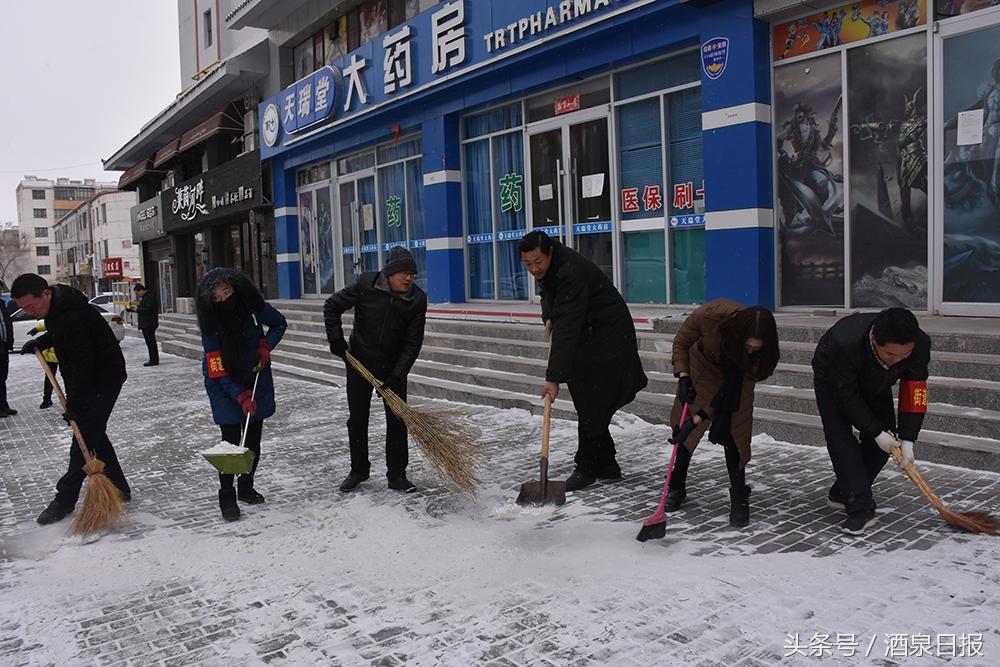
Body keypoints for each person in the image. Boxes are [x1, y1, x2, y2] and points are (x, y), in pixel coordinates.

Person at [518, 230, 648, 492]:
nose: (534, 269)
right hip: (589, 336)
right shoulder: (552, 268)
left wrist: (553, 378)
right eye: (528, 264)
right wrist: (548, 317)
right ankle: (607, 465)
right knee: (591, 402)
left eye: (538, 262)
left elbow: (567, 327)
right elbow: (548, 295)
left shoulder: (571, 272)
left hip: (609, 338)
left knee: (592, 401)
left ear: (550, 252)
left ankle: (586, 467)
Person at [11, 274, 130, 524]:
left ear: (46, 293)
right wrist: (41, 341)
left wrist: (75, 405)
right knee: (94, 432)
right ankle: (119, 486)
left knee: (83, 436)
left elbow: (82, 363)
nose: (30, 312)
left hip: (103, 378)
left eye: (32, 306)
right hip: (90, 377)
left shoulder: (70, 314)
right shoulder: (58, 308)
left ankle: (64, 500)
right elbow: (62, 336)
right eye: (24, 309)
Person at [812, 307, 930, 536]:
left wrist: (908, 438)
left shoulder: (920, 345)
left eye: (904, 355)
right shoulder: (844, 342)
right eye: (891, 355)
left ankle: (843, 491)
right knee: (840, 438)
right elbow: (846, 397)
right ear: (875, 340)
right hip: (833, 379)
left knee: (886, 442)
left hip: (877, 380)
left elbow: (916, 390)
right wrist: (875, 431)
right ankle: (859, 507)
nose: (898, 360)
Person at [666, 300, 780, 527]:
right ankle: (676, 485)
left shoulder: (759, 358)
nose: (750, 350)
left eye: (755, 349)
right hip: (703, 370)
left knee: (734, 436)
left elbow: (727, 396)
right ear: (738, 333)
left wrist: (700, 416)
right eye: (747, 345)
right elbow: (681, 342)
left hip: (738, 380)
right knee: (686, 435)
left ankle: (739, 496)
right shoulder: (710, 316)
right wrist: (684, 376)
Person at [324, 246, 427, 493]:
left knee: (397, 420)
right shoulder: (365, 284)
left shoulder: (416, 299)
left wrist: (397, 374)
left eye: (412, 273)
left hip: (392, 368)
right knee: (357, 420)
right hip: (360, 363)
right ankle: (359, 470)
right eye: (403, 273)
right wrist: (336, 341)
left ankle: (397, 475)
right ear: (389, 273)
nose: (409, 278)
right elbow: (331, 306)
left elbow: (413, 342)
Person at [196, 268, 286, 521]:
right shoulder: (210, 325)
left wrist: (266, 344)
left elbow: (280, 323)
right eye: (217, 297)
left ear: (237, 288)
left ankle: (246, 486)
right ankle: (227, 495)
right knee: (231, 441)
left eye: (227, 292)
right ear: (209, 302)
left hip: (255, 377)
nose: (224, 299)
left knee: (253, 439)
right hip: (223, 385)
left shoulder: (252, 308)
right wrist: (240, 396)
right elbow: (215, 367)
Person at [26, 321, 59, 409]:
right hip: (50, 355)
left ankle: (71, 400)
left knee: (68, 378)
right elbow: (47, 324)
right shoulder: (53, 317)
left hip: (61, 354)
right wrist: (37, 329)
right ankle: (47, 399)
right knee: (49, 377)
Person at [131, 283, 159, 366]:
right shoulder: (146, 297)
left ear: (141, 290)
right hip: (146, 323)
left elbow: (149, 309)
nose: (137, 295)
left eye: (137, 293)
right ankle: (153, 359)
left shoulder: (149, 297)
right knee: (150, 343)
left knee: (151, 343)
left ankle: (153, 360)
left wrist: (138, 309)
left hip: (149, 323)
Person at [0, 298, 14, 417]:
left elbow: (7, 324)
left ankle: (4, 406)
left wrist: (9, 341)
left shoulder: (2, 305)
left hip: (3, 346)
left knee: (2, 377)